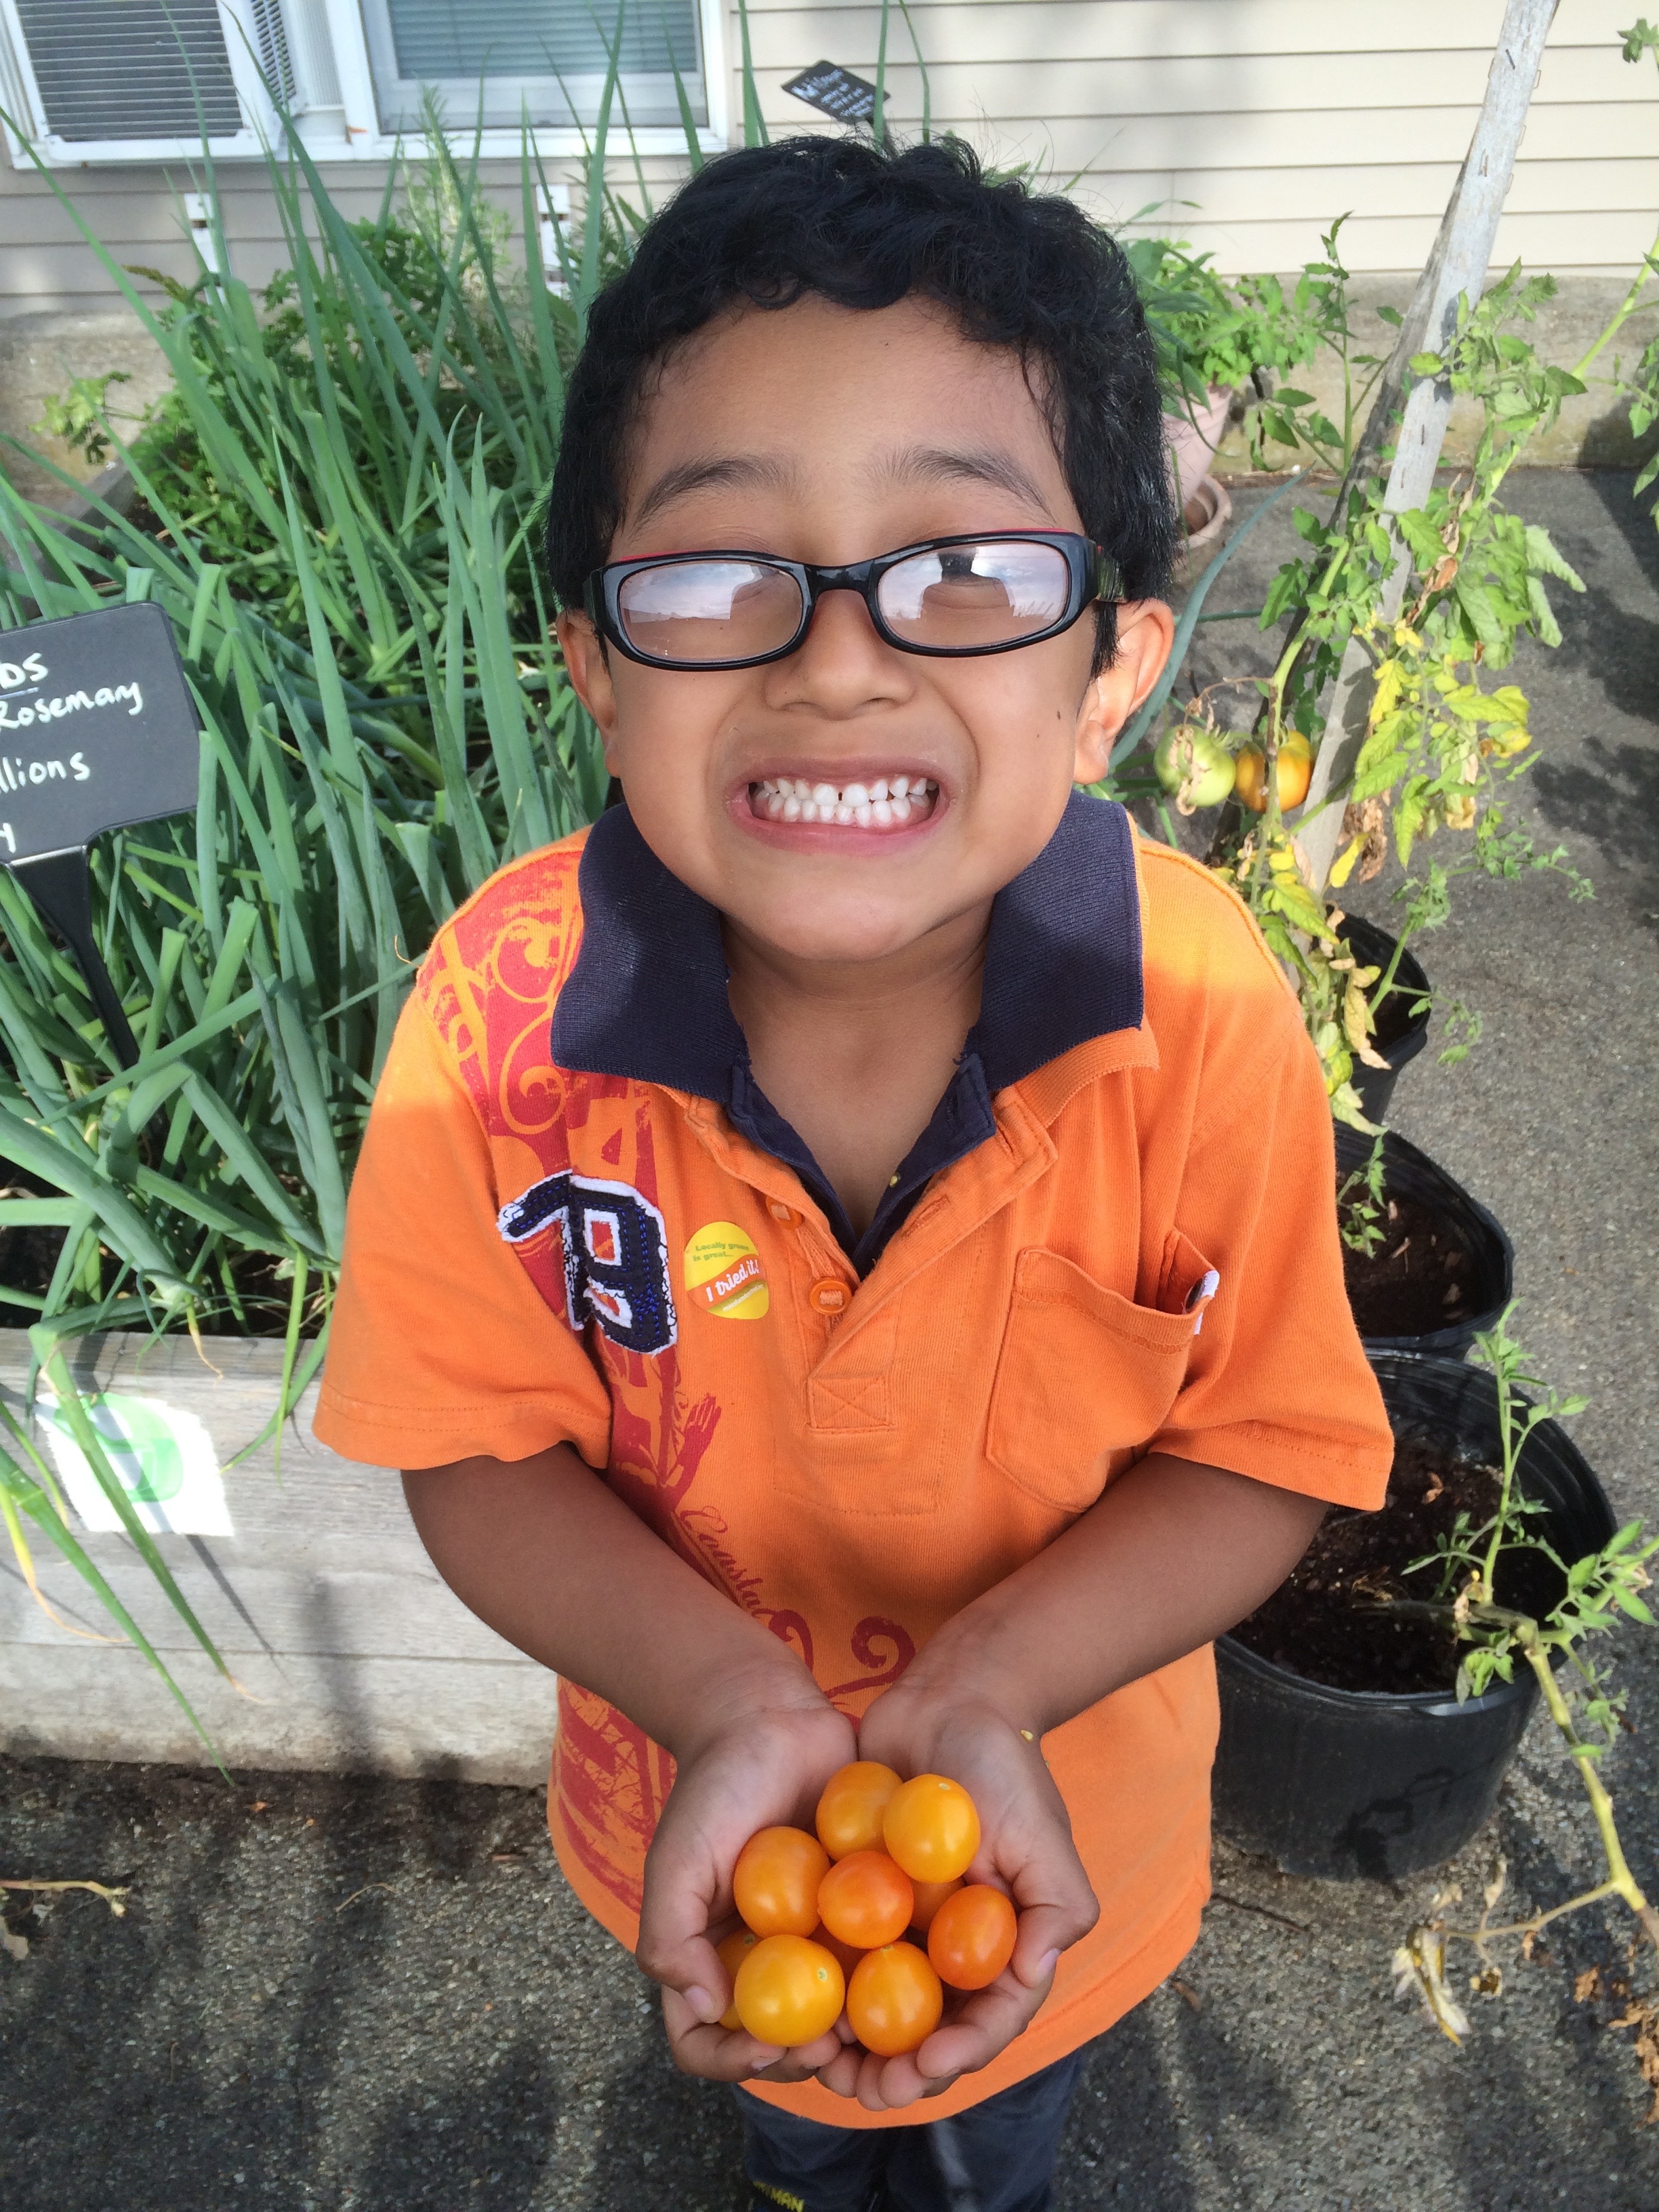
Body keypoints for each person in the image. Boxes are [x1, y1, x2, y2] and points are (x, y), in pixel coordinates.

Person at [314, 133, 1393, 2212]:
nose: (836, 658)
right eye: (721, 576)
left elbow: (1263, 1442)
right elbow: (469, 1446)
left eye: (964, 573)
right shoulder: (503, 1016)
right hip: (690, 1811)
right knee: (782, 2113)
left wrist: (989, 1679)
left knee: (993, 2144)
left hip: (1055, 1830)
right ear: (598, 666)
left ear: (1115, 675)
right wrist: (725, 1691)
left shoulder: (1199, 1007)